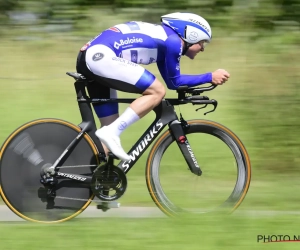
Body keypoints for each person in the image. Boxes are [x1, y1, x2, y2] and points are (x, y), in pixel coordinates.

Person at [76, 12, 230, 162]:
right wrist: (210, 76)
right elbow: (175, 83)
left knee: (106, 138)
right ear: (192, 36)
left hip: (91, 58)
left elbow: (172, 82)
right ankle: (112, 132)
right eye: (202, 43)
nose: (202, 48)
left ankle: (91, 181)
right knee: (157, 91)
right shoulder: (173, 41)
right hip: (100, 58)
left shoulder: (165, 41)